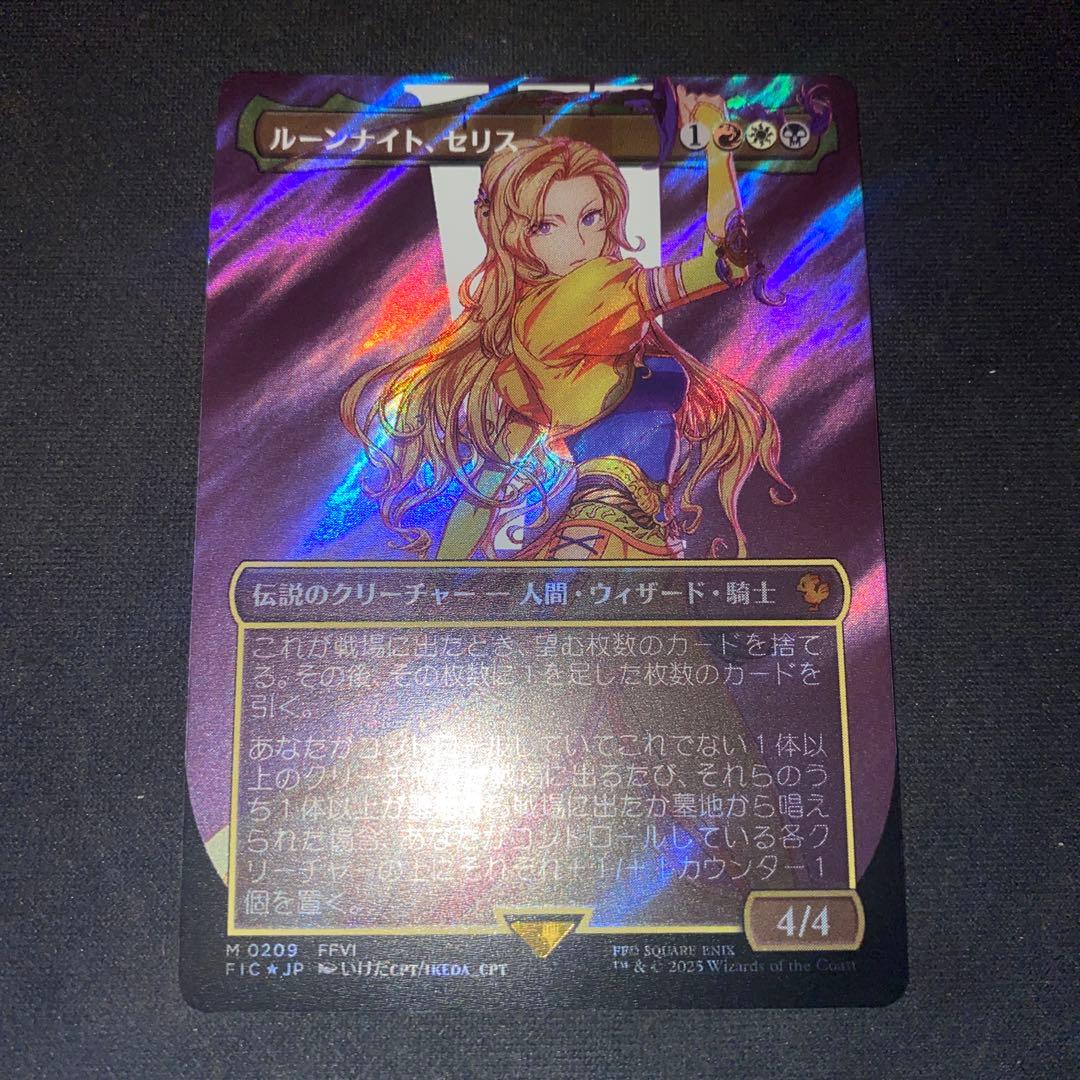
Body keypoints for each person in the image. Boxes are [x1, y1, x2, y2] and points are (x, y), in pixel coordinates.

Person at [341, 89, 792, 560]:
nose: (578, 243)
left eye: (590, 218)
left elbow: (485, 487)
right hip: (608, 532)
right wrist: (717, 142)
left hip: (620, 534)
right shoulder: (596, 290)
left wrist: (444, 580)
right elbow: (725, 265)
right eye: (545, 226)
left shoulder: (532, 328)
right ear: (514, 236)